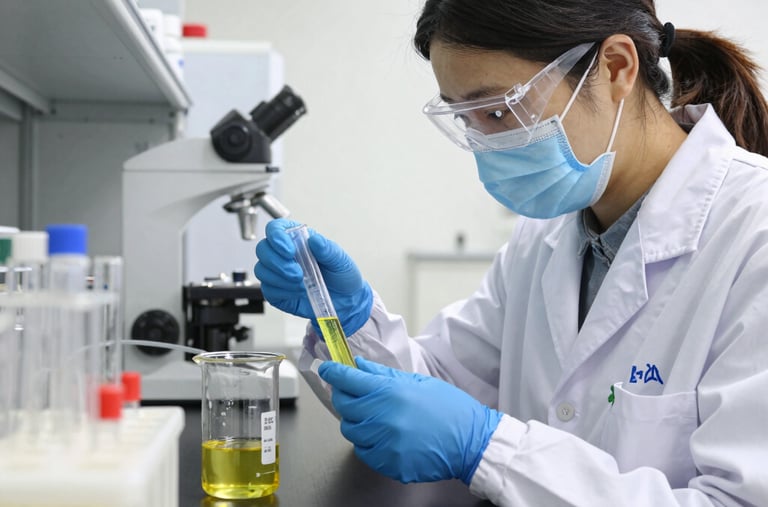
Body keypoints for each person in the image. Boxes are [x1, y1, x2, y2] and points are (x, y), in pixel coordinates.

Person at [254, 0, 768, 505]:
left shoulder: (753, 235)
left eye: (499, 111)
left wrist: (487, 450)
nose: (487, 145)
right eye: (469, 120)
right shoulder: (545, 237)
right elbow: (437, 392)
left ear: (617, 66)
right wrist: (346, 320)